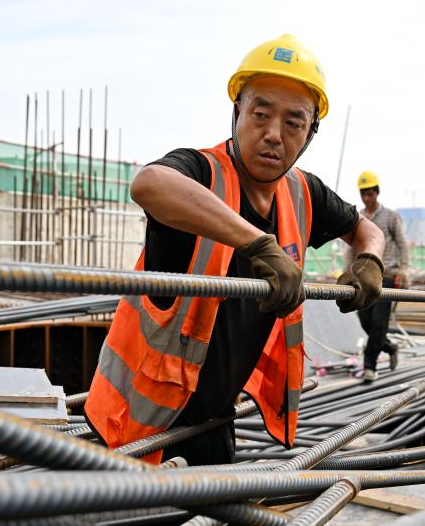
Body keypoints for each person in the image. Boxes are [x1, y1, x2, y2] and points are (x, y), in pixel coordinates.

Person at [84, 34, 385, 466]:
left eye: (293, 123)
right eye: (261, 114)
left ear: (310, 133)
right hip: (136, 430)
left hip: (214, 424)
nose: (273, 135)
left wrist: (370, 259)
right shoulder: (200, 173)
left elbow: (365, 229)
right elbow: (149, 183)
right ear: (237, 110)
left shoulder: (302, 193)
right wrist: (257, 243)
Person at [353, 171, 409, 382]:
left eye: (370, 194)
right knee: (365, 321)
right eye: (363, 194)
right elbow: (351, 247)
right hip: (364, 277)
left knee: (378, 322)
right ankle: (390, 347)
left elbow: (402, 244)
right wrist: (349, 271)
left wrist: (403, 270)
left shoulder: (390, 217)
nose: (366, 198)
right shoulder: (357, 217)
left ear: (377, 193)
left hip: (387, 275)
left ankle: (370, 366)